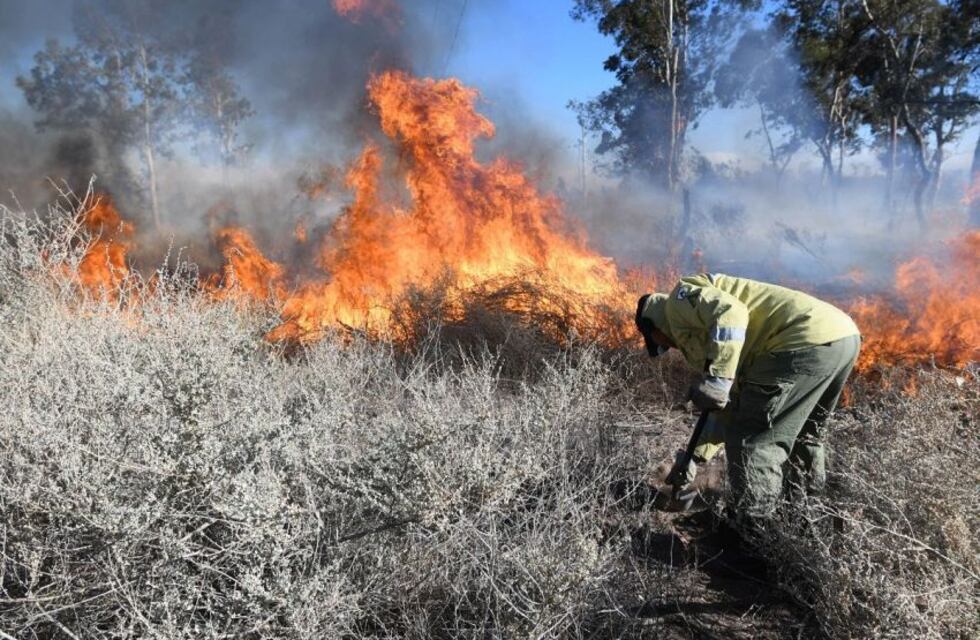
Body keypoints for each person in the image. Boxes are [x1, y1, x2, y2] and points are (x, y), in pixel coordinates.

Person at [635, 273, 861, 527]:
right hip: (841, 337)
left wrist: (718, 379)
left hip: (798, 341)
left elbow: (731, 312)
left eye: (658, 341)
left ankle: (752, 532)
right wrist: (694, 458)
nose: (668, 347)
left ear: (653, 325)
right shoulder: (717, 340)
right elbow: (732, 408)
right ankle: (807, 520)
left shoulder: (679, 299)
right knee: (804, 436)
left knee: (753, 441)